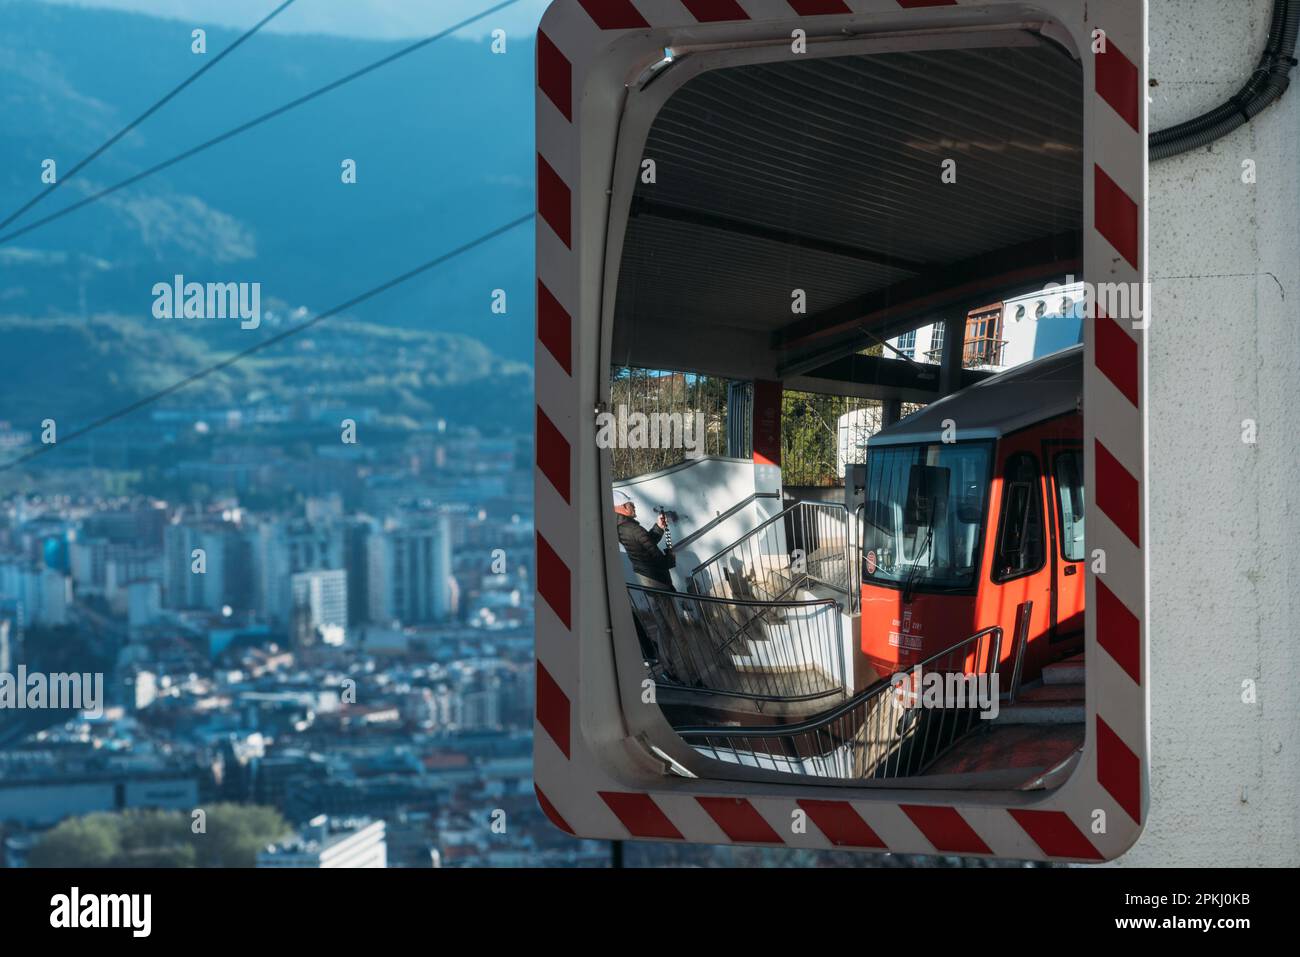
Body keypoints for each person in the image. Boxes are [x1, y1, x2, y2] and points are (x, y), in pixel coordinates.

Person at [614, 490, 675, 590]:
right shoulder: (633, 529)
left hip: (644, 577)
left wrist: (659, 527)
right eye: (630, 504)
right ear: (623, 507)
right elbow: (658, 558)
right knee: (668, 604)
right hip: (657, 580)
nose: (634, 506)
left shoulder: (621, 527)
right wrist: (670, 557)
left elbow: (645, 544)